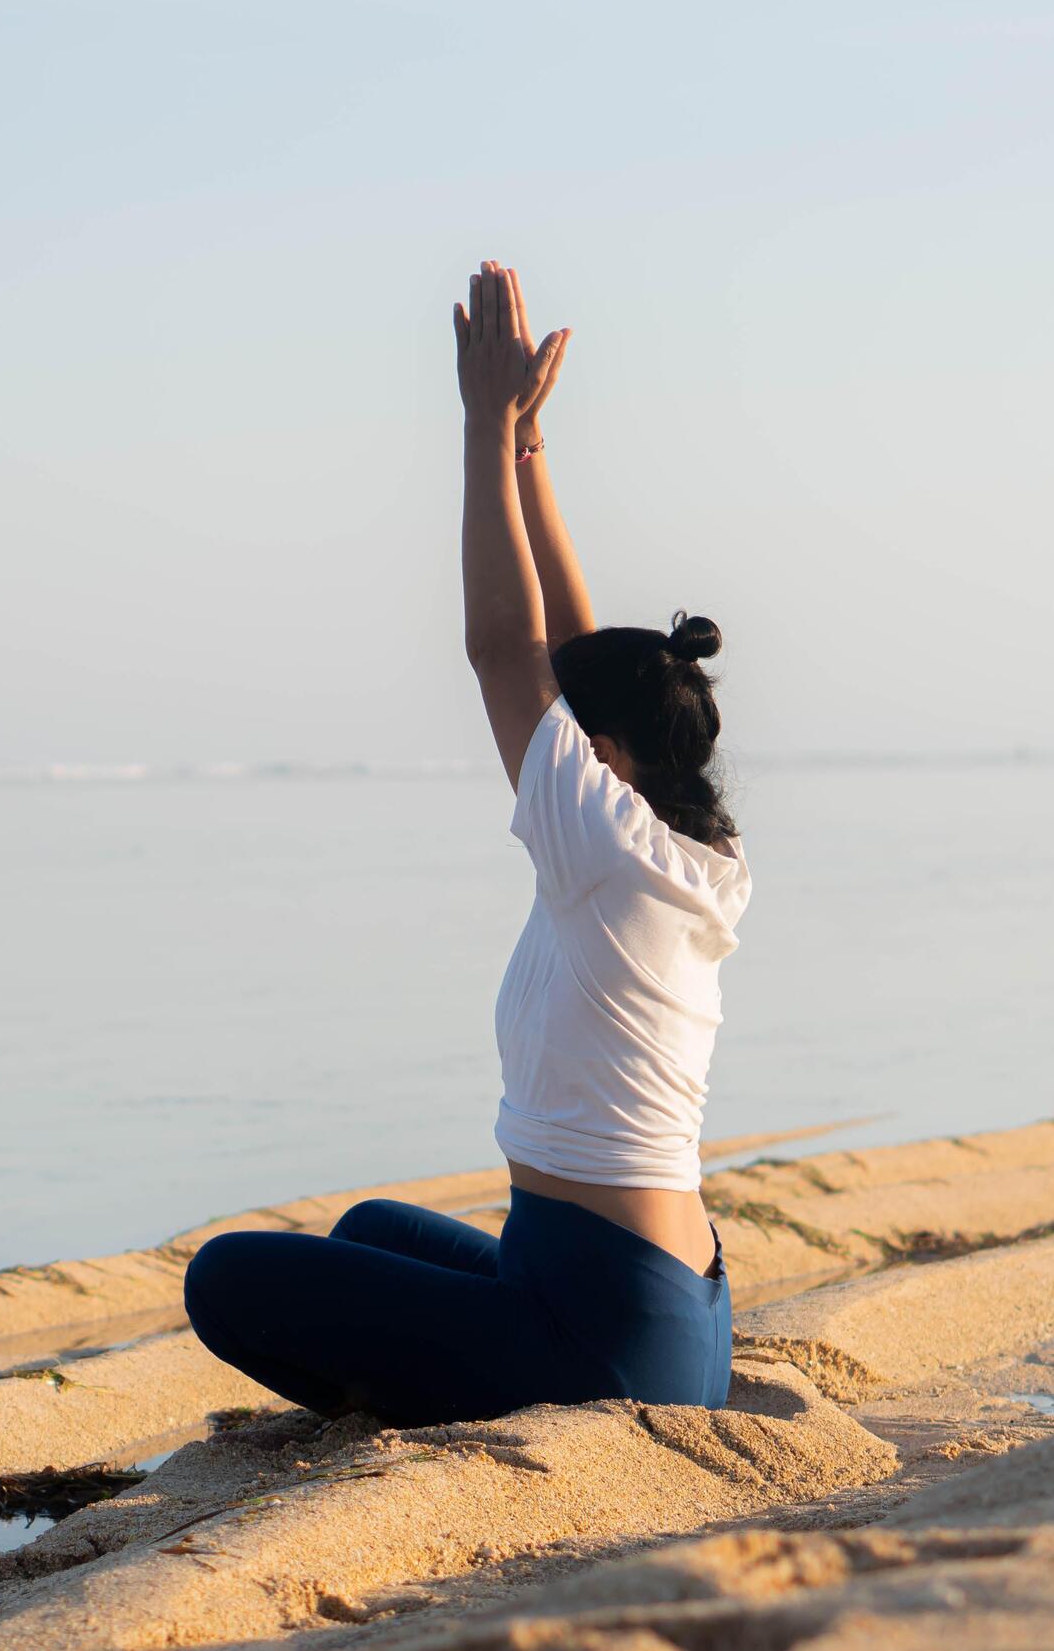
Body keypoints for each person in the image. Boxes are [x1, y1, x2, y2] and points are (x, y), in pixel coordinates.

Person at [182, 260, 752, 1427]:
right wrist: (534, 457)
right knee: (370, 1233)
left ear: (603, 753)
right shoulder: (676, 848)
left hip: (601, 1341)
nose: (531, 726)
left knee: (225, 1279)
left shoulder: (600, 839)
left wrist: (483, 428)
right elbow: (578, 650)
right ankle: (442, 1365)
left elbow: (506, 646)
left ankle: (443, 1398)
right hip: (655, 1305)